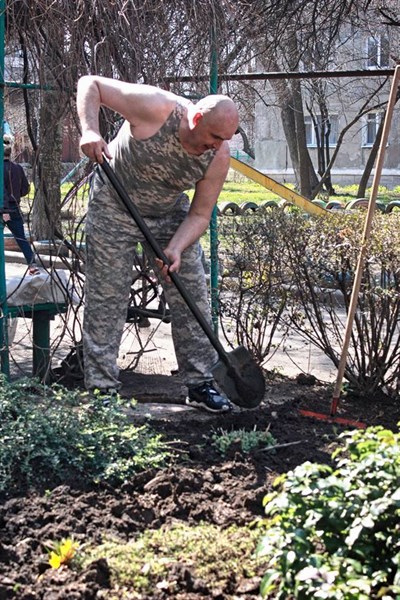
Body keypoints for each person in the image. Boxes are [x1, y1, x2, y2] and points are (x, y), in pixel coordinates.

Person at [77, 75, 239, 413]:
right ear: (195, 118)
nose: (217, 145)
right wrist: (90, 130)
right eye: (213, 136)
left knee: (191, 290)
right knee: (107, 297)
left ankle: (201, 383)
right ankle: (101, 389)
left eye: (224, 139)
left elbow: (200, 214)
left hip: (168, 214)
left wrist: (176, 248)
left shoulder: (218, 156)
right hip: (115, 206)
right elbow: (91, 84)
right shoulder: (156, 107)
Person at [2, 134, 39, 275]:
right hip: (15, 207)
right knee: (21, 238)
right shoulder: (18, 168)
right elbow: (26, 189)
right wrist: (16, 195)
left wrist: (5, 209)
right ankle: (32, 265)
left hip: (3, 209)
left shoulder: (0, 169)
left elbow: (2, 192)